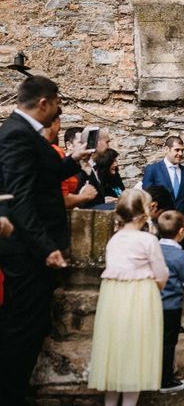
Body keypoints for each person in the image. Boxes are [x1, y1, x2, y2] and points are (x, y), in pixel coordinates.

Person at [0, 75, 91, 405]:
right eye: (56, 103)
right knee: (21, 327)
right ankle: (9, 395)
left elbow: (42, 176)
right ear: (44, 102)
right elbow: (20, 197)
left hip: (32, 250)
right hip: (25, 253)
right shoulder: (16, 136)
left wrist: (71, 161)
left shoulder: (27, 135)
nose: (57, 110)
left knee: (32, 324)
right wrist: (46, 247)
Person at [87, 189, 169, 406]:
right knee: (136, 349)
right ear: (145, 212)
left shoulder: (114, 240)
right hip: (140, 297)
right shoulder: (148, 240)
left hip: (113, 299)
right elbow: (161, 273)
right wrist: (155, 289)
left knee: (116, 348)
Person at [157, 210, 184, 394]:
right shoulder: (179, 255)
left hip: (152, 304)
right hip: (171, 306)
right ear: (181, 232)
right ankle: (166, 380)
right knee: (169, 342)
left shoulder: (153, 248)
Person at [142, 136, 184, 248]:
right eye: (177, 150)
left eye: (182, 150)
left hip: (179, 231)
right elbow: (146, 200)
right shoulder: (152, 170)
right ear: (167, 149)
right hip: (158, 230)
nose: (180, 153)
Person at [43, 119, 97, 209]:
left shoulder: (78, 163)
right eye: (81, 142)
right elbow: (61, 198)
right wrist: (84, 196)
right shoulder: (55, 152)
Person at [75, 128, 110, 209]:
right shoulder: (79, 169)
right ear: (96, 143)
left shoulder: (97, 168)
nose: (108, 147)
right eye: (107, 142)